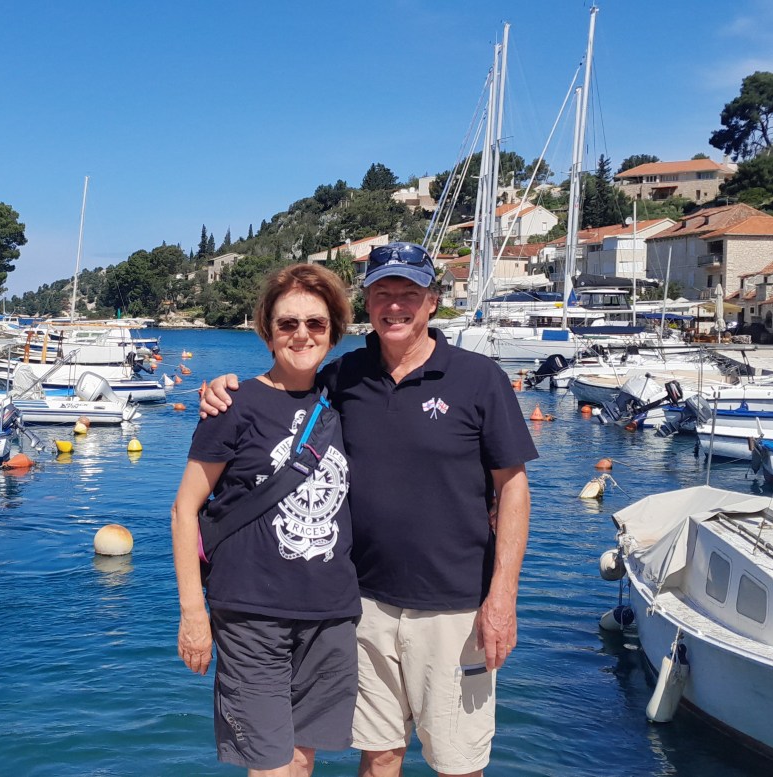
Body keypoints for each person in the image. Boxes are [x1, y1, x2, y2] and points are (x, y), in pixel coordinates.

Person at [201, 242, 536, 776]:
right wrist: (224, 387)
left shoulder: (479, 379)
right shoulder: (344, 377)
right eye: (383, 293)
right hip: (362, 605)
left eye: (409, 294)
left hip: (455, 608)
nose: (395, 306)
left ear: (432, 302)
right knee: (379, 756)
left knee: (459, 763)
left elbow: (513, 488)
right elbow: (284, 385)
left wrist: (503, 597)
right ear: (367, 303)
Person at [172, 263, 360, 776]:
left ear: (334, 332)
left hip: (330, 613)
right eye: (287, 323)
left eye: (316, 323)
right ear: (267, 331)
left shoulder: (343, 402)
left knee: (301, 760)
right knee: (270, 765)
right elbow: (184, 509)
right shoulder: (233, 405)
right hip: (252, 614)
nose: (302, 334)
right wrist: (193, 614)